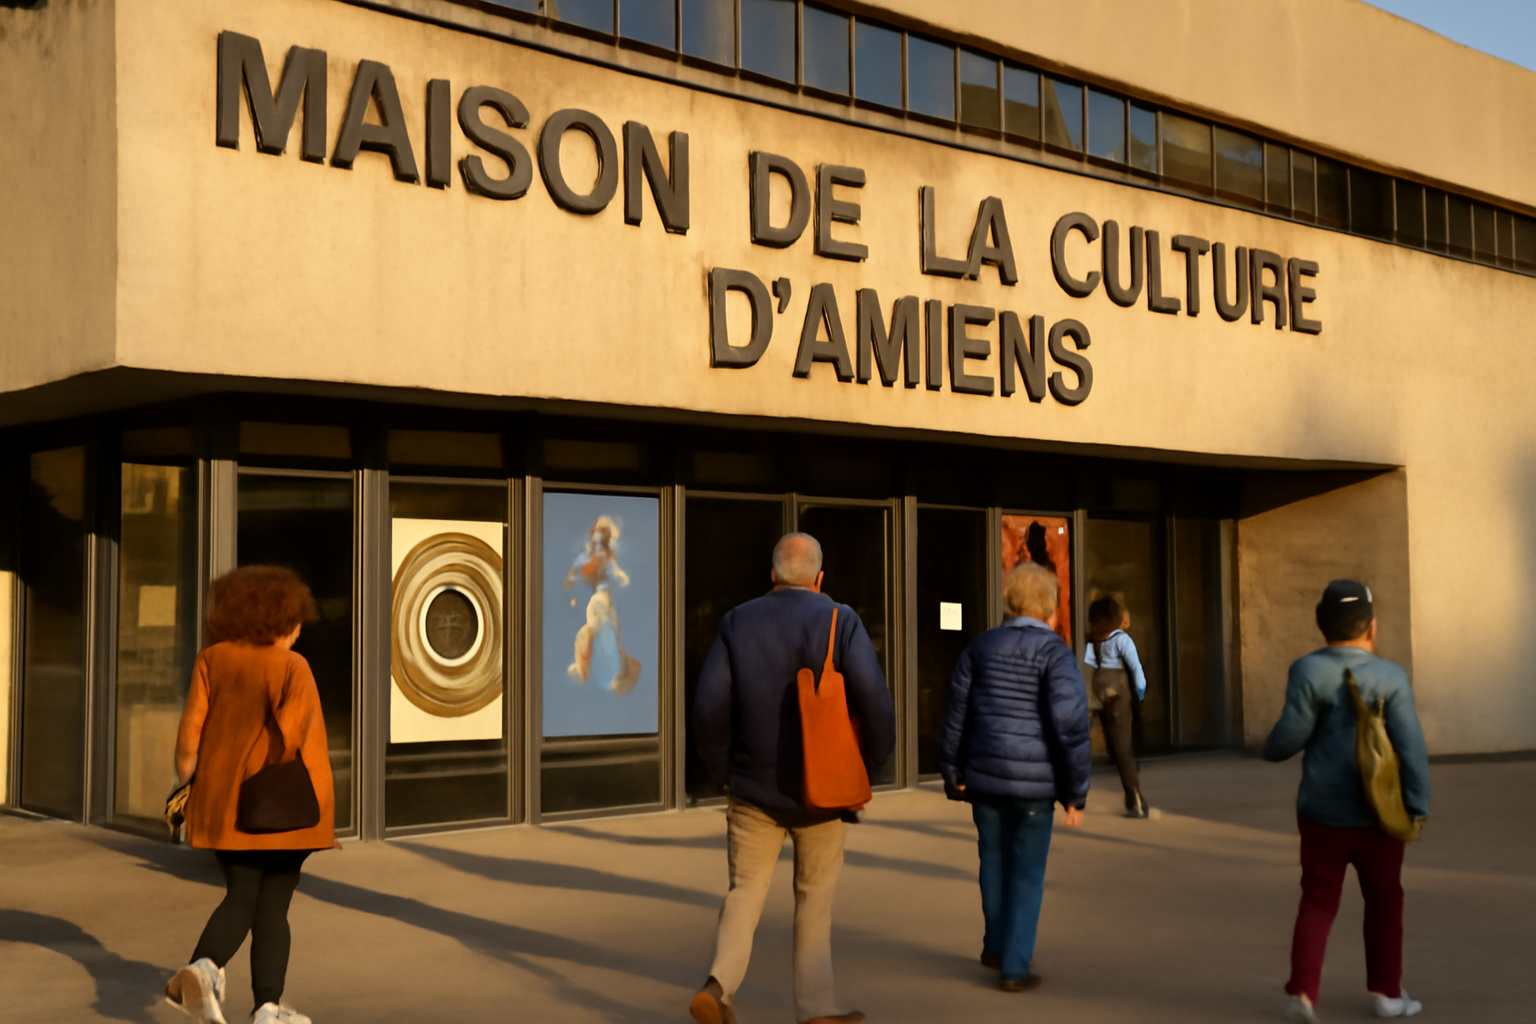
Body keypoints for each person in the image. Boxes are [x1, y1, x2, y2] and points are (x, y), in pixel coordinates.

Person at [690, 533, 897, 1024]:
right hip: (823, 791)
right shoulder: (840, 620)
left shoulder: (737, 621)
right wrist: (863, 771)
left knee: (744, 892)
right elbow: (876, 703)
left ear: (773, 576)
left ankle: (719, 986)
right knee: (814, 900)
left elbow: (707, 707)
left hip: (751, 790)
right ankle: (816, 1009)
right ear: (819, 578)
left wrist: (725, 770)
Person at [165, 566, 336, 1024]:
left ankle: (214, 977)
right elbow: (292, 735)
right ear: (283, 619)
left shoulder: (211, 660)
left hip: (223, 808)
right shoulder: (293, 667)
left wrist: (191, 784)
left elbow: (188, 743)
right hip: (280, 809)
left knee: (242, 894)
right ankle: (256, 1003)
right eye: (296, 619)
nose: (299, 628)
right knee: (274, 906)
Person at [1263, 580, 1431, 1023]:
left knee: (1318, 899)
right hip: (1381, 813)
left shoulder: (1306, 670)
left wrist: (1271, 748)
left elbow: (1291, 734)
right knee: (1385, 899)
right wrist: (1417, 803)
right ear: (1372, 628)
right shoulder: (1391, 677)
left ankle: (1302, 993)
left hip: (1322, 812)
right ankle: (1387, 993)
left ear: (1322, 625)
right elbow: (1411, 746)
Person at [939, 562, 1091, 992]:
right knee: (1027, 873)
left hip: (985, 777)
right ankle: (1015, 967)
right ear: (1051, 608)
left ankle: (995, 946)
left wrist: (953, 770)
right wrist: (1075, 792)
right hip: (1034, 784)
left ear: (1008, 602)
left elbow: (956, 714)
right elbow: (1071, 727)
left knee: (992, 861)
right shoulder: (1056, 654)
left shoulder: (981, 646)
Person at [1083, 595, 1151, 817]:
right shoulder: (1095, 641)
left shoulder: (1115, 642)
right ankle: (1133, 798)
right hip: (1103, 696)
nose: (1098, 627)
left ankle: (1135, 798)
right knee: (1110, 748)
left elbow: (1134, 671)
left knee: (1120, 750)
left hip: (1115, 698)